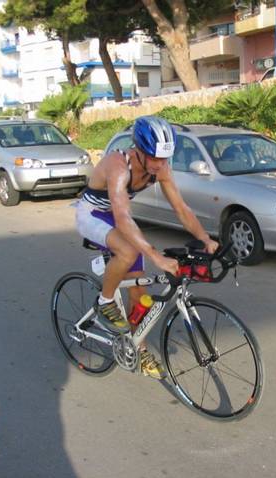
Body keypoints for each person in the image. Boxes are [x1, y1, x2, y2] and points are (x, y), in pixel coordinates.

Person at [75, 116, 219, 379]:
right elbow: (122, 217)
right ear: (139, 150)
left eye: (164, 159)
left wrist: (206, 239)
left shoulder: (161, 168)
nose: (159, 165)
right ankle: (105, 301)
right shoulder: (119, 165)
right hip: (93, 214)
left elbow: (181, 209)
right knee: (129, 251)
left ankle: (137, 349)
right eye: (154, 158)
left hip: (118, 217)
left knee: (139, 294)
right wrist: (156, 257)